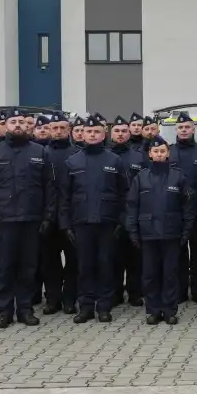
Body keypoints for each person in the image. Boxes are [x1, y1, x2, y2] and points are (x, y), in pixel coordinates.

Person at [0, 108, 56, 328]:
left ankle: (25, 309)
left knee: (28, 268)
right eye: (13, 122)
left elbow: (50, 187)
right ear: (5, 125)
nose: (18, 125)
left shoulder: (40, 152)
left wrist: (48, 216)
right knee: (4, 268)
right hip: (3, 221)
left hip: (32, 220)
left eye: (22, 121)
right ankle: (4, 311)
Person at [59, 115, 129, 323]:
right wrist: (65, 224)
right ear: (81, 134)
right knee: (84, 266)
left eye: (96, 131)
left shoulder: (114, 160)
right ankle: (86, 306)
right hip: (81, 222)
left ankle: (104, 306)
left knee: (105, 265)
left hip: (107, 223)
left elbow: (124, 193)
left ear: (103, 134)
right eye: (88, 131)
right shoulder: (72, 161)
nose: (92, 135)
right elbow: (64, 196)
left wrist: (121, 221)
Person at [127, 136, 196, 325]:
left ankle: (169, 310)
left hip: (171, 234)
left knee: (170, 274)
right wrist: (132, 231)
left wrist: (186, 231)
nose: (159, 154)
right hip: (148, 234)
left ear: (168, 153)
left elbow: (187, 207)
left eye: (162, 151)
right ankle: (153, 310)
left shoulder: (178, 177)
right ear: (150, 154)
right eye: (155, 151)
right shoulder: (141, 178)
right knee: (150, 275)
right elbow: (132, 206)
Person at [43, 112, 79, 315]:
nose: (58, 131)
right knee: (50, 262)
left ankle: (69, 299)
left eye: (62, 128)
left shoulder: (77, 154)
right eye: (54, 128)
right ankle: (52, 299)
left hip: (72, 218)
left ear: (69, 130)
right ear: (49, 130)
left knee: (73, 261)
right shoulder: (41, 153)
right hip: (48, 218)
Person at [171, 112, 197, 304]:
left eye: (187, 127)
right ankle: (180, 291)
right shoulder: (169, 151)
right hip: (175, 211)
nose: (184, 130)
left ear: (193, 129)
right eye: (180, 127)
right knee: (178, 253)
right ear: (176, 130)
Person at [108, 116, 145, 306]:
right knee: (114, 257)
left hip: (134, 214)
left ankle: (135, 293)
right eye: (117, 131)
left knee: (135, 257)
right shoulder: (105, 155)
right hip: (112, 215)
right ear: (111, 134)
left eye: (124, 131)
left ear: (129, 133)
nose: (120, 134)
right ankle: (115, 293)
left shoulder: (139, 156)